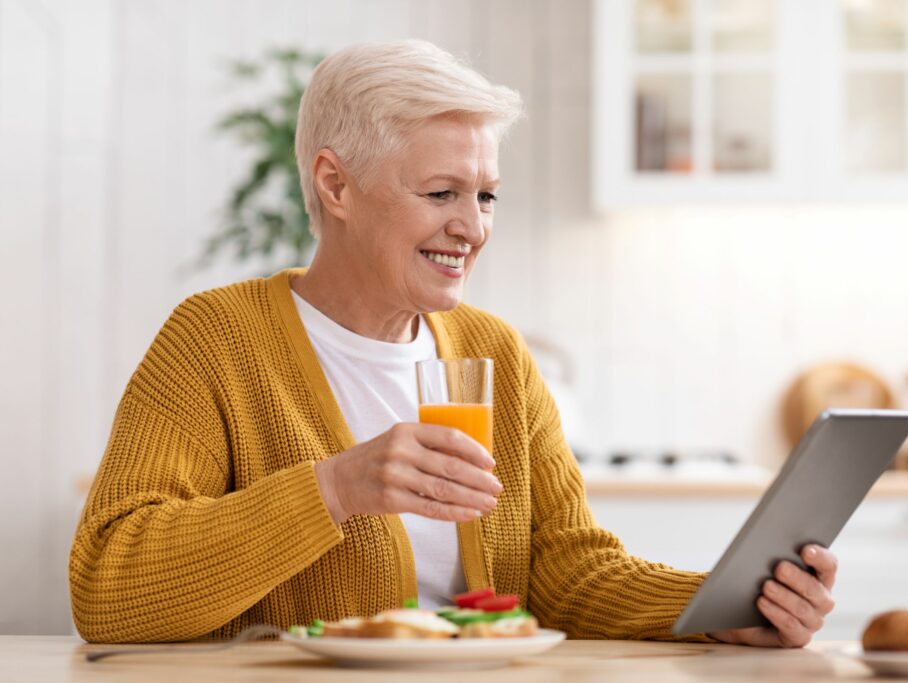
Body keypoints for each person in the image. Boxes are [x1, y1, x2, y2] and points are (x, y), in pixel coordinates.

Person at [69, 39, 836, 646]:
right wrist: (334, 488)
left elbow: (567, 568)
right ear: (335, 185)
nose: (472, 227)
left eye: (485, 195)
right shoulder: (216, 341)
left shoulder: (494, 351)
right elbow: (108, 585)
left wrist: (719, 606)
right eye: (441, 193)